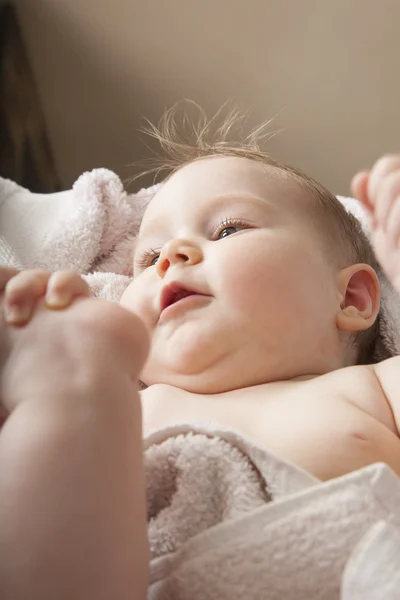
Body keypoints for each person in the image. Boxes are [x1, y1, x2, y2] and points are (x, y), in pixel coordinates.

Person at [1, 108, 400, 599]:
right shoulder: (121, 409)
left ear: (351, 298)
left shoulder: (374, 388)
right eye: (147, 259)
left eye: (228, 230)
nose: (172, 256)